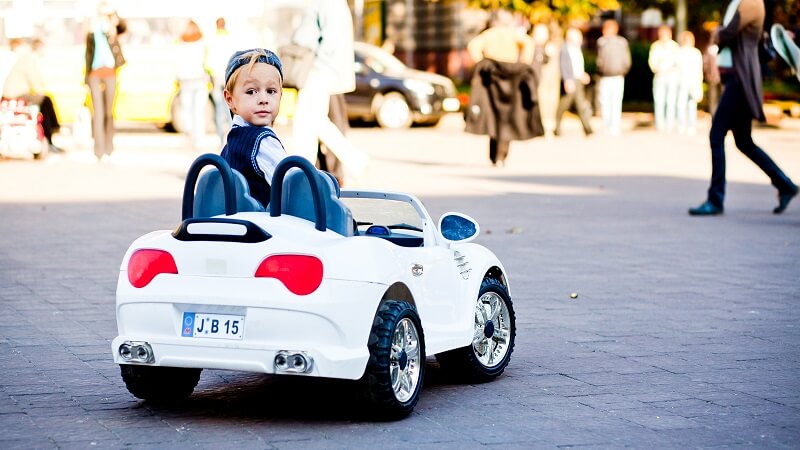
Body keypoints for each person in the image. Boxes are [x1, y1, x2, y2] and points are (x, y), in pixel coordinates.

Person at [689, 0, 798, 216]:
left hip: (741, 78)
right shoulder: (737, 2)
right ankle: (785, 184)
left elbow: (728, 33)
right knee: (744, 142)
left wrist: (717, 32)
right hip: (734, 78)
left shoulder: (752, 2)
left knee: (716, 135)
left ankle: (715, 199)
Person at [290, 0, 368, 183]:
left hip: (318, 70)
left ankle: (306, 171)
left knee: (305, 121)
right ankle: (351, 160)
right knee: (313, 121)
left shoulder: (326, 3)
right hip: (324, 70)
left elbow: (322, 41)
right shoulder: (334, 4)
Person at [465, 9, 543, 166]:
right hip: (511, 77)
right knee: (507, 118)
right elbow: (529, 43)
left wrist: (481, 63)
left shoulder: (490, 34)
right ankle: (502, 156)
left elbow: (472, 46)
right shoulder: (513, 34)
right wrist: (523, 63)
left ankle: (494, 155)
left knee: (493, 116)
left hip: (493, 77)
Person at [220, 49, 287, 208]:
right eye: (251, 92)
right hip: (264, 227)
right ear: (230, 99)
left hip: (236, 223)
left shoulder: (232, 140)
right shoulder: (263, 141)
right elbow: (292, 183)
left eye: (271, 91)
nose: (263, 99)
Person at [2, 37, 63, 153]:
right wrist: (40, 94)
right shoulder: (29, 59)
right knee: (46, 101)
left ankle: (52, 132)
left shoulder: (27, 59)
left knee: (45, 101)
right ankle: (52, 132)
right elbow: (36, 81)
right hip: (14, 96)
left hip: (15, 94)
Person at [84, 1, 126, 160]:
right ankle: (99, 151)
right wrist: (86, 79)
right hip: (95, 74)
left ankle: (109, 148)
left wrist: (113, 15)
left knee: (109, 112)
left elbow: (124, 27)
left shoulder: (113, 29)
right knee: (98, 112)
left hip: (110, 73)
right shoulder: (91, 30)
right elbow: (87, 55)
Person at [174, 20, 208, 150]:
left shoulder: (180, 45)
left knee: (186, 109)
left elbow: (176, 64)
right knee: (198, 111)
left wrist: (177, 78)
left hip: (185, 80)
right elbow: (206, 62)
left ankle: (189, 134)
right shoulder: (202, 44)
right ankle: (198, 139)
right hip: (200, 79)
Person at [554, 27, 593, 137]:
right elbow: (564, 66)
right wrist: (567, 80)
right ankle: (556, 128)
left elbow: (577, 65)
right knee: (563, 105)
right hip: (570, 80)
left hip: (578, 80)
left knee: (581, 105)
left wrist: (582, 74)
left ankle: (587, 128)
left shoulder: (577, 49)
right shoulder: (565, 49)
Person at [596, 19, 631, 136]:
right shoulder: (603, 42)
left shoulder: (609, 42)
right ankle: (609, 126)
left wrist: (622, 70)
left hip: (615, 76)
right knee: (608, 102)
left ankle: (612, 126)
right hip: (608, 76)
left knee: (613, 102)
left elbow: (626, 60)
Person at [206, 17, 236, 145]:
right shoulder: (230, 39)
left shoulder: (212, 40)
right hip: (228, 75)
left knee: (218, 107)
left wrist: (209, 73)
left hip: (215, 76)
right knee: (231, 107)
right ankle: (232, 136)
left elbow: (207, 61)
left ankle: (220, 138)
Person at [648, 25, 680, 132]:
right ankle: (660, 124)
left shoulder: (674, 46)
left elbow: (677, 62)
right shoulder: (656, 46)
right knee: (659, 101)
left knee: (671, 100)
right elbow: (652, 62)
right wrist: (659, 68)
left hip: (671, 76)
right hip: (660, 76)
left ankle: (670, 123)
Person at [675, 31, 704, 134]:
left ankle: (690, 125)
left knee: (690, 104)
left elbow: (699, 69)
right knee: (682, 104)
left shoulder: (695, 53)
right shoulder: (680, 52)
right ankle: (682, 124)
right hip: (683, 81)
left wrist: (699, 81)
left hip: (692, 81)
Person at [703, 43, 722, 114]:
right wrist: (708, 75)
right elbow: (705, 64)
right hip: (713, 78)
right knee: (713, 99)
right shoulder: (710, 50)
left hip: (722, 78)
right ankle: (714, 116)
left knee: (721, 98)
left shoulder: (722, 48)